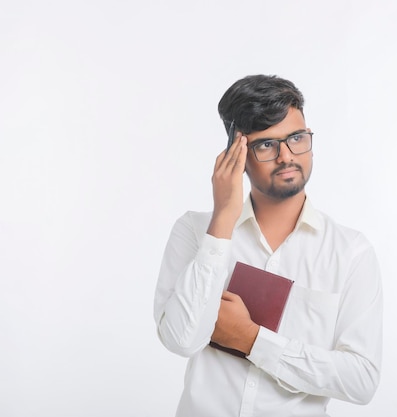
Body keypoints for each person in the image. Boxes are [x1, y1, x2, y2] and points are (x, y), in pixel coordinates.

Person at [153, 74, 383, 417]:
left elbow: (361, 379)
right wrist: (222, 222)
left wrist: (251, 339)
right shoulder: (195, 231)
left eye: (296, 138)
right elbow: (181, 340)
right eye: (266, 145)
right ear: (238, 153)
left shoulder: (350, 252)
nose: (286, 156)